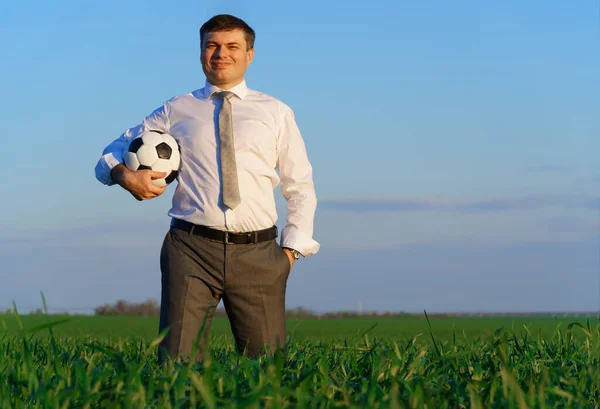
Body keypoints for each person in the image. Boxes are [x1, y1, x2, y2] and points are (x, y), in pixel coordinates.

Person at [94, 14, 319, 363]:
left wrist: (290, 252)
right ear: (200, 52)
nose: (221, 54)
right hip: (190, 250)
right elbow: (108, 156)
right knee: (176, 365)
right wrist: (126, 176)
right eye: (212, 46)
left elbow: (300, 184)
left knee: (267, 369)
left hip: (259, 254)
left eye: (232, 46)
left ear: (250, 55)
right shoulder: (176, 109)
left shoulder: (276, 112)